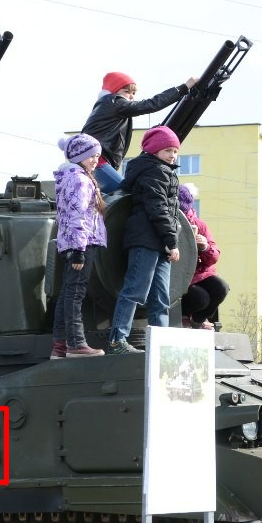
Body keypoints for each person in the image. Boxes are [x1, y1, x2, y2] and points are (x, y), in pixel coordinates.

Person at [106, 126, 184, 355]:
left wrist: (169, 240)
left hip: (159, 240)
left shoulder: (164, 171)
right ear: (155, 150)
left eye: (175, 151)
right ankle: (117, 340)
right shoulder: (154, 171)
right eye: (168, 150)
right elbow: (158, 208)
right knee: (135, 291)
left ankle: (161, 344)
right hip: (146, 238)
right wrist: (172, 241)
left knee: (161, 297)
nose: (172, 155)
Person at [81, 71, 198, 194]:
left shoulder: (109, 107)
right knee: (128, 195)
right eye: (127, 92)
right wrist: (183, 88)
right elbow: (151, 104)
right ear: (114, 92)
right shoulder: (114, 102)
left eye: (133, 93)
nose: (131, 96)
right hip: (98, 162)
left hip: (96, 161)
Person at [51, 133, 108, 359]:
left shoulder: (71, 176)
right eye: (91, 156)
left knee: (67, 294)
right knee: (75, 295)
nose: (95, 160)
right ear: (78, 156)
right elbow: (78, 215)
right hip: (82, 244)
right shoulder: (80, 180)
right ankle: (76, 344)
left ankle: (60, 346)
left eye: (97, 156)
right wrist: (78, 251)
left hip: (75, 243)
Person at [177, 182, 227, 330]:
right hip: (180, 277)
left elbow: (214, 257)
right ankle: (184, 317)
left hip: (198, 273)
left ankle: (198, 319)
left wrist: (204, 247)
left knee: (221, 288)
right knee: (201, 298)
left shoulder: (200, 225)